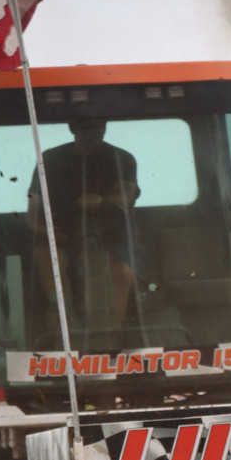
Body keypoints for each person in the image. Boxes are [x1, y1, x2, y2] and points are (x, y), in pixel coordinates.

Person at [28, 118, 141, 329]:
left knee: (123, 272)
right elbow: (32, 212)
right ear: (72, 127)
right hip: (64, 238)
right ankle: (63, 315)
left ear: (105, 127)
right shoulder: (50, 160)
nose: (92, 131)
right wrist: (51, 234)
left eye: (97, 125)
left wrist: (101, 200)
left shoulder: (122, 158)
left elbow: (126, 193)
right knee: (45, 255)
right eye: (85, 125)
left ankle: (109, 333)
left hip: (113, 238)